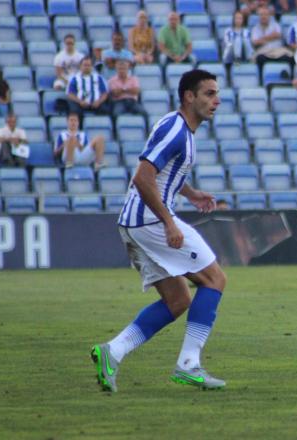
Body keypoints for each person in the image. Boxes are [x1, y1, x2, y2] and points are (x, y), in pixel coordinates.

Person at [91, 69, 227, 393]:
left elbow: (163, 175)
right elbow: (143, 176)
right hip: (149, 222)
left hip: (135, 223)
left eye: (216, 94)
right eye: (208, 93)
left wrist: (191, 194)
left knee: (178, 299)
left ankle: (113, 351)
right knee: (215, 278)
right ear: (188, 97)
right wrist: (168, 222)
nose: (216, 101)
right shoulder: (176, 130)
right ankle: (189, 365)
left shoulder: (181, 130)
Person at [251, 6, 294, 72]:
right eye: (261, 15)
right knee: (259, 58)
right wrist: (271, 37)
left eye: (265, 14)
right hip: (264, 52)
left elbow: (278, 35)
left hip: (278, 51)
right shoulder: (255, 28)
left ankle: (290, 78)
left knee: (290, 57)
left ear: (269, 16)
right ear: (259, 16)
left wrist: (262, 39)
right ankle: (261, 80)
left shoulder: (275, 25)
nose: (263, 17)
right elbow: (255, 42)